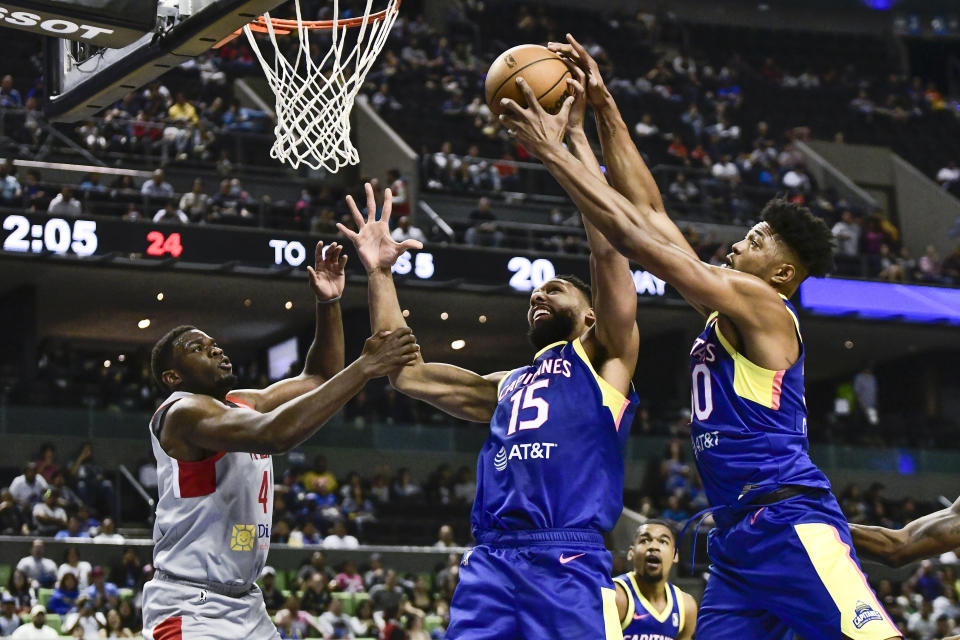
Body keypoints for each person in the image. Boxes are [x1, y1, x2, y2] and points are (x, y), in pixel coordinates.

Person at [497, 33, 901, 639]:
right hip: (737, 542)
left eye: (758, 240)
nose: (742, 240)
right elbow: (652, 211)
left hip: (789, 521)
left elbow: (639, 241)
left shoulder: (764, 305)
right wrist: (600, 112)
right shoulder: (728, 307)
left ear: (783, 273)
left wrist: (553, 152)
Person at [339, 168, 639, 635]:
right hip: (492, 562)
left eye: (555, 289)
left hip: (567, 556)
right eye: (537, 291)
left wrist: (580, 176)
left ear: (590, 315)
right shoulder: (506, 383)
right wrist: (379, 273)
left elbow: (607, 253)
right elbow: (405, 372)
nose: (539, 292)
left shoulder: (605, 364)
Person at [140, 240, 418, 640]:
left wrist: (328, 304)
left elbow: (320, 377)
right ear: (173, 377)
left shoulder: (241, 403)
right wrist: (366, 367)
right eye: (198, 349)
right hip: (191, 606)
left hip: (245, 604)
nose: (214, 349)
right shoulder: (182, 413)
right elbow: (276, 434)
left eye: (213, 343)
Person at [613, 521, 697, 640]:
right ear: (631, 553)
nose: (653, 546)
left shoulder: (686, 607)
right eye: (644, 540)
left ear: (675, 555)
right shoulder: (615, 596)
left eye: (663, 541)